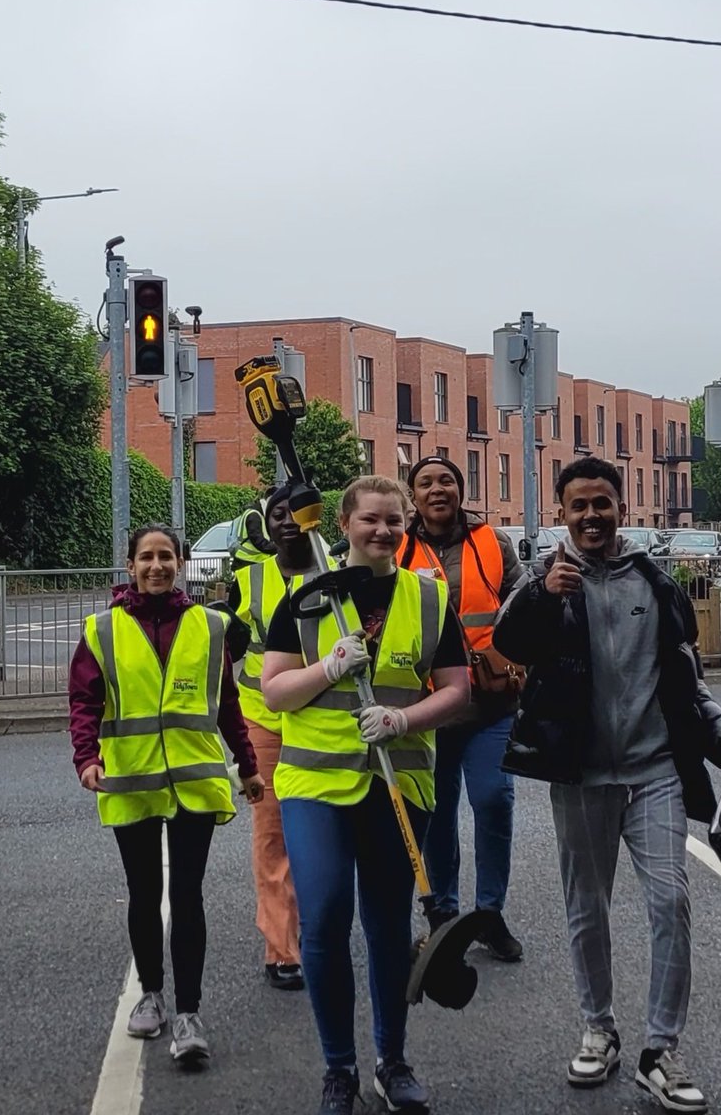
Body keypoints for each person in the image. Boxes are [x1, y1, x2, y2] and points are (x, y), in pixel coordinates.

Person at [493, 456, 721, 1115]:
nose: (592, 516)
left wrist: (719, 731)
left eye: (602, 503)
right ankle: (598, 1026)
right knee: (586, 908)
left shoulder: (655, 581)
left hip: (654, 769)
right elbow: (509, 642)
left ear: (620, 507)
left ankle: (661, 1049)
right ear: (562, 514)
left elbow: (686, 675)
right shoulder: (547, 581)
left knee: (670, 903)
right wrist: (546, 593)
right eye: (579, 506)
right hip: (579, 774)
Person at [262, 475, 470, 1115]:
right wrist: (328, 667)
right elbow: (274, 692)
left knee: (385, 926)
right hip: (315, 785)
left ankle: (392, 1061)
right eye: (369, 520)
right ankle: (338, 1069)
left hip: (397, 783)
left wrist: (404, 720)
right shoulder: (304, 601)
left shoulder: (430, 599)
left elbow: (458, 691)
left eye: (393, 522)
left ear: (404, 527)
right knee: (323, 917)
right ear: (345, 524)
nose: (382, 532)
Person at [68, 524, 264, 1065]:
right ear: (130, 566)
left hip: (196, 783)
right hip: (129, 780)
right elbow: (84, 701)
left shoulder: (209, 627)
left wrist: (248, 767)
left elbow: (226, 703)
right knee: (143, 892)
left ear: (180, 563)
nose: (157, 566)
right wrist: (86, 758)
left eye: (167, 556)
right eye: (146, 557)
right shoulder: (103, 630)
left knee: (189, 897)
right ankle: (151, 996)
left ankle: (189, 1012)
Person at [400, 455, 525, 962]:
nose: (437, 489)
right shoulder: (399, 547)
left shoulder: (493, 543)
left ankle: (489, 915)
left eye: (446, 480)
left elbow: (519, 603)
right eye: (426, 482)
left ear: (460, 489)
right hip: (427, 708)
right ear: (413, 495)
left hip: (491, 702)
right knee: (435, 815)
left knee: (494, 799)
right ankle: (443, 919)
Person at [229, 481, 331, 990]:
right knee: (272, 838)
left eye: (297, 512)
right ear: (266, 524)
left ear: (315, 518)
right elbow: (224, 648)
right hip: (264, 721)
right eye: (277, 515)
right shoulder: (249, 580)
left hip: (324, 721)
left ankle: (323, 931)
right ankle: (281, 949)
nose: (287, 521)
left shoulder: (338, 574)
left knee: (328, 835)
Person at [231, 490, 278, 570]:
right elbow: (259, 543)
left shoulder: (258, 513)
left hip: (249, 562)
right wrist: (280, 548)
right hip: (248, 562)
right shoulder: (254, 516)